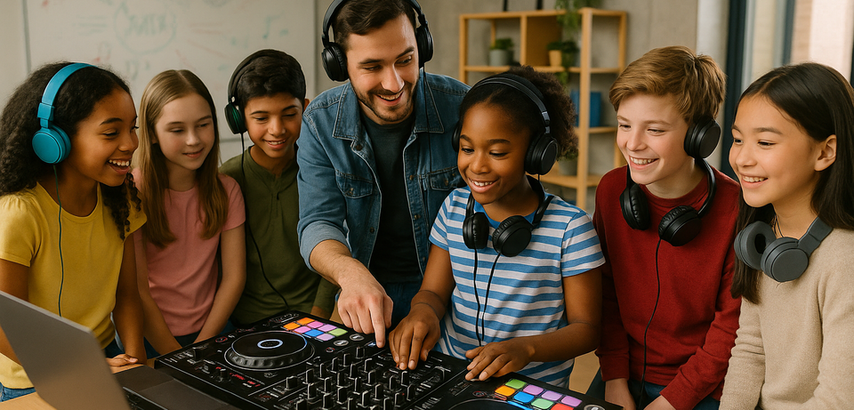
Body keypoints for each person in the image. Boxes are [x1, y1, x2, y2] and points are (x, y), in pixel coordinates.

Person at [388, 66, 604, 388]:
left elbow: (587, 329)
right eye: (466, 148)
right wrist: (423, 312)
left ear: (536, 154)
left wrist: (527, 348)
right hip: (453, 377)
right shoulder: (454, 207)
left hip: (530, 391)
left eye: (498, 152)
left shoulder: (570, 230)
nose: (477, 165)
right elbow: (433, 291)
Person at [296, 0, 469, 347]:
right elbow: (316, 223)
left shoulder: (462, 106)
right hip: (367, 296)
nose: (394, 83)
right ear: (340, 65)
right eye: (372, 66)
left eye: (405, 60)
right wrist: (350, 273)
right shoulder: (319, 121)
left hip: (456, 295)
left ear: (422, 46)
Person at [590, 46, 741, 410]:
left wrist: (674, 400)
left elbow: (730, 327)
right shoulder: (612, 190)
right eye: (625, 125)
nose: (633, 143)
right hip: (622, 374)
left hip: (704, 384)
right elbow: (604, 291)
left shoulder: (738, 208)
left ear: (699, 137)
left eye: (654, 129)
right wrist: (614, 377)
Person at [0, 62, 146, 401]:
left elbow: (127, 297)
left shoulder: (121, 198)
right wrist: (78, 368)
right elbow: (6, 325)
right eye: (111, 133)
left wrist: (137, 368)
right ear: (55, 141)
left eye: (133, 128)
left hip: (106, 358)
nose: (131, 143)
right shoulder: (20, 213)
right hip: (35, 373)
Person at [720, 63, 854, 409]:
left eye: (764, 142)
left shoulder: (844, 258)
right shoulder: (763, 238)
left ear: (825, 152)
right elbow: (750, 348)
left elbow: (838, 400)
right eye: (737, 140)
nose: (741, 158)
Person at [133, 69, 246, 356]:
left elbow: (234, 278)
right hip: (149, 333)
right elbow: (136, 289)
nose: (194, 140)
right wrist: (175, 355)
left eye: (203, 125)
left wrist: (201, 347)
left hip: (212, 330)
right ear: (152, 134)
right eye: (177, 130)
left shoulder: (226, 190)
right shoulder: (133, 191)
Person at [220, 49, 337, 325]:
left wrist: (318, 316)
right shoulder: (227, 178)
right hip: (243, 324)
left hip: (314, 318)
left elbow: (338, 245)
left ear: (305, 109)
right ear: (239, 120)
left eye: (289, 114)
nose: (277, 129)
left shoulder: (322, 172)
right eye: (261, 118)